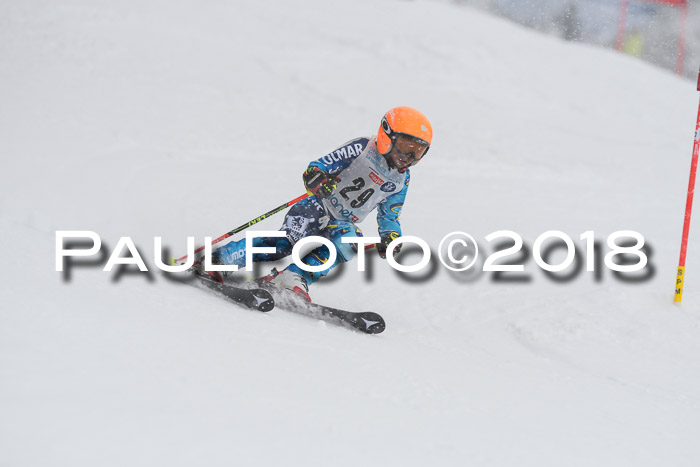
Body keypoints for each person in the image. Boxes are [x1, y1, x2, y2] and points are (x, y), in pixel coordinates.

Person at [204, 106, 432, 302]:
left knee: (348, 241)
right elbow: (320, 166)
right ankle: (222, 259)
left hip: (342, 221)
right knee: (287, 243)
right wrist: (317, 177)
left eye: (418, 151)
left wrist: (391, 237)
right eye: (405, 146)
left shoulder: (402, 179)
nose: (409, 157)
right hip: (317, 206)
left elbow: (389, 215)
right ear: (386, 136)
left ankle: (291, 277)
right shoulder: (362, 148)